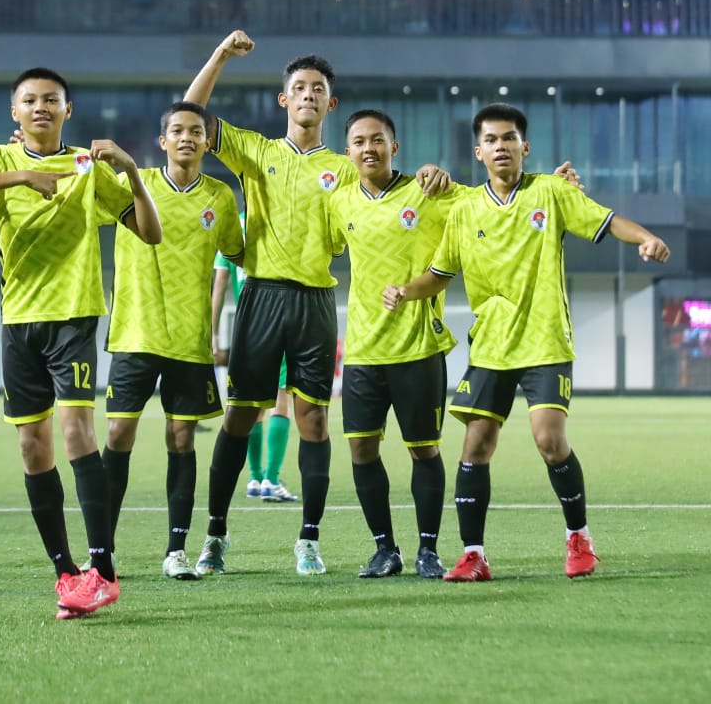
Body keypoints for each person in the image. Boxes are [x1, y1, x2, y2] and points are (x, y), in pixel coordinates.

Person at [184, 29, 451, 576]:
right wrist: (219, 57)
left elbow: (390, 190)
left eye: (318, 89)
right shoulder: (255, 151)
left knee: (314, 421)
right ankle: (214, 535)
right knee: (240, 416)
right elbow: (190, 114)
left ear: (331, 103)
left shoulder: (348, 166)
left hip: (316, 301)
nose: (308, 95)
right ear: (285, 99)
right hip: (259, 297)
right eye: (299, 87)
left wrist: (430, 175)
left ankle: (308, 539)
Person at [383, 102, 669, 582]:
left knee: (549, 439)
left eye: (509, 138)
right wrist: (406, 290)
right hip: (492, 345)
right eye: (491, 140)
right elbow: (438, 274)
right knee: (475, 446)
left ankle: (579, 539)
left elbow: (606, 218)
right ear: (479, 151)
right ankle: (473, 555)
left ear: (524, 147)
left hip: (545, 340)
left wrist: (645, 237)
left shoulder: (553, 192)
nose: (501, 147)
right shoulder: (465, 210)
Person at [0, 67, 162, 619]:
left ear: (68, 110)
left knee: (76, 431)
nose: (41, 107)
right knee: (32, 446)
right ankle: (66, 572)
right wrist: (18, 179)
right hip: (19, 319)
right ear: (15, 112)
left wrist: (132, 172)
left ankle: (103, 569)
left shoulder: (88, 165)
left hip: (74, 316)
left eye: (51, 100)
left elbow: (151, 232)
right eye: (30, 100)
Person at [99, 101, 244, 580]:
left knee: (181, 438)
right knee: (119, 435)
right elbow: (72, 186)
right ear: (162, 142)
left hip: (190, 340)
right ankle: (103, 550)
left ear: (206, 141)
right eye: (177, 131)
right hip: (135, 333)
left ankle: (176, 551)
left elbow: (241, 253)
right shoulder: (130, 184)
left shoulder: (221, 197)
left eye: (196, 131)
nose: (187, 138)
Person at [328, 110, 466, 579]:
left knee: (423, 450)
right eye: (359, 142)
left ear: (395, 147)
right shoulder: (339, 202)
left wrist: (553, 184)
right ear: (348, 152)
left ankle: (428, 549)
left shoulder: (428, 193)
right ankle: (385, 549)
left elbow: (489, 202)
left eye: (378, 140)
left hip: (418, 349)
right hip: (364, 350)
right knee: (361, 450)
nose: (369, 148)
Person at [211, 217, 298, 505]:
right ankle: (271, 479)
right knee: (281, 399)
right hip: (280, 318)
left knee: (253, 406)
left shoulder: (234, 224)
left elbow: (220, 283)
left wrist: (212, 332)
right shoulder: (280, 218)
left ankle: (254, 477)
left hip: (247, 328)